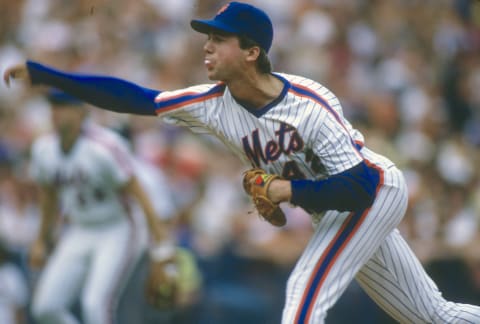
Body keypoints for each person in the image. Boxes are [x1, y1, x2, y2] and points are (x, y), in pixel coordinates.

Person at [3, 2, 480, 323]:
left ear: (252, 51)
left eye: (220, 38)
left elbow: (358, 187)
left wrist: (285, 192)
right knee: (431, 315)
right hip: (334, 208)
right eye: (208, 36)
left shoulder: (310, 103)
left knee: (302, 295)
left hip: (375, 192)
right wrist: (48, 75)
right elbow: (135, 98)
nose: (207, 45)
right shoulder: (210, 102)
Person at [24, 89, 179, 324]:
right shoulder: (44, 149)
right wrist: (41, 239)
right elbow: (49, 199)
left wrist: (162, 249)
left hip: (117, 228)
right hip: (80, 228)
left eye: (63, 107)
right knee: (46, 307)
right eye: (53, 107)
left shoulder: (103, 147)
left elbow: (142, 198)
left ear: (81, 111)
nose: (56, 113)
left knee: (95, 306)